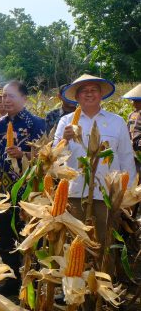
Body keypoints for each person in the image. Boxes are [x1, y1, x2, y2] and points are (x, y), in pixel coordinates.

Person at [53, 74, 136, 241]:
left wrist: (128, 194)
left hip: (107, 195)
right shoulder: (65, 122)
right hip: (75, 193)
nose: (89, 94)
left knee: (106, 245)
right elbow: (55, 158)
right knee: (76, 244)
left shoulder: (117, 121)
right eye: (84, 91)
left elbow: (126, 157)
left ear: (101, 95)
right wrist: (65, 139)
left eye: (93, 90)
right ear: (76, 97)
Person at [0, 80, 46, 297]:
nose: (6, 100)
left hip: (28, 188)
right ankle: (12, 279)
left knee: (29, 233)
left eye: (11, 96)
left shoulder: (37, 124)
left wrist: (23, 155)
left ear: (24, 98)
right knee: (5, 234)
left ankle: (31, 278)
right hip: (3, 190)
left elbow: (46, 156)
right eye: (4, 96)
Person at [121, 83, 141, 174]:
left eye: (136, 101)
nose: (133, 104)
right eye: (133, 101)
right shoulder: (131, 115)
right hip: (133, 153)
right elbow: (127, 133)